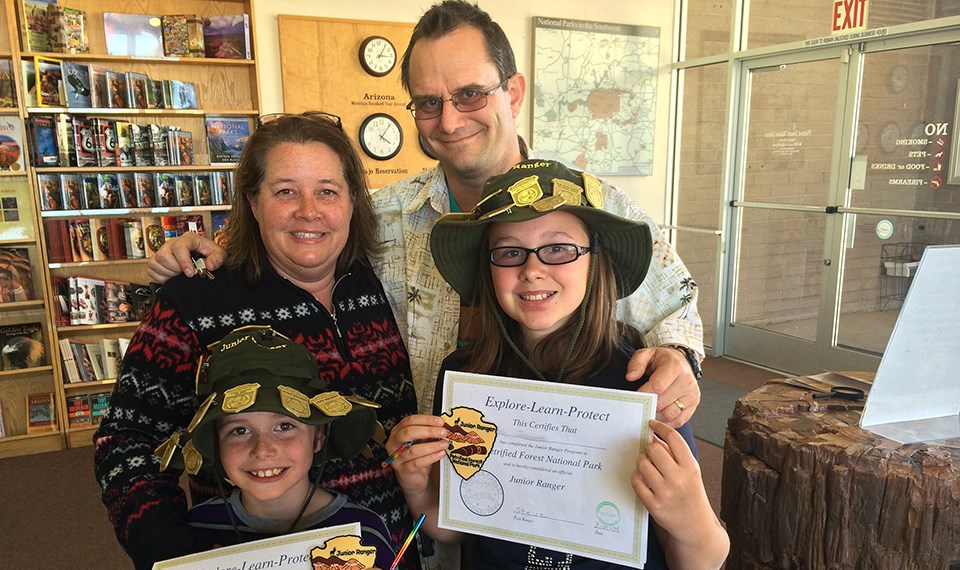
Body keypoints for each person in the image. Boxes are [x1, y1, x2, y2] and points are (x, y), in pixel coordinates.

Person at [147, 0, 703, 431]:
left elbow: (675, 301)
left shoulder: (596, 207)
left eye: (469, 94)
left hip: (552, 489)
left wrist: (679, 359)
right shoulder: (385, 214)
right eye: (428, 102)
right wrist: (209, 248)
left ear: (513, 93)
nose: (449, 119)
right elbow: (299, 229)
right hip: (424, 500)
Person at [386, 160, 729, 570]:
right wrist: (418, 486)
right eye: (509, 253)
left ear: (597, 260)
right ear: (487, 269)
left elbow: (701, 566)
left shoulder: (639, 381)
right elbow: (456, 524)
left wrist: (690, 515)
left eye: (559, 249)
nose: (531, 270)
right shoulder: (466, 377)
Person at [93, 113, 423, 570]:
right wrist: (174, 561)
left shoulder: (379, 281)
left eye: (328, 191)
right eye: (286, 191)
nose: (309, 211)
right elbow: (125, 441)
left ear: (353, 201)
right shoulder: (197, 302)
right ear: (253, 201)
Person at [122, 326, 420, 570]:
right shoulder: (194, 534)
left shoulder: (364, 531)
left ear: (318, 436)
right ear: (216, 445)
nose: (263, 450)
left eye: (284, 425)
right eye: (239, 430)